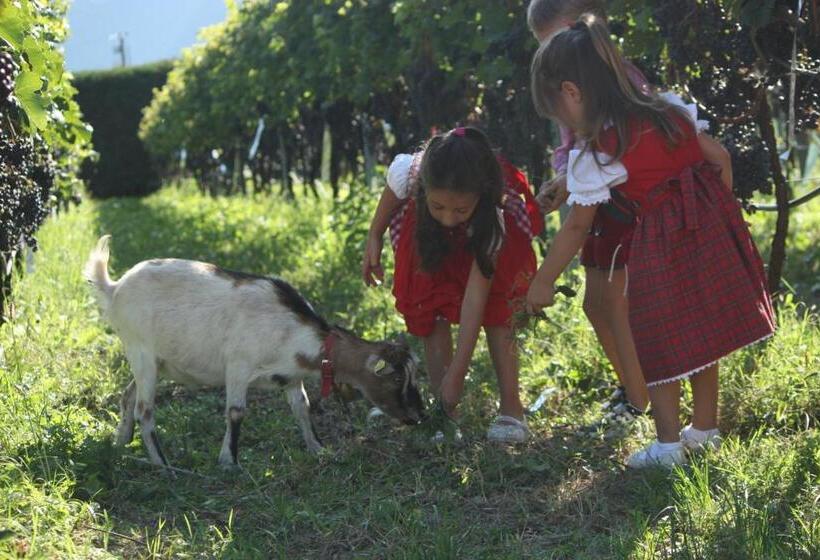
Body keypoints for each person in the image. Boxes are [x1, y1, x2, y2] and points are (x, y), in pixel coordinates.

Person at [526, 15, 776, 467]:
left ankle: (667, 445)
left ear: (572, 93)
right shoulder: (668, 111)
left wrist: (544, 280)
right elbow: (718, 158)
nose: (566, 123)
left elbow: (577, 227)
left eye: (560, 114)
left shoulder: (602, 150)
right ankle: (704, 430)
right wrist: (717, 213)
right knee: (702, 334)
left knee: (657, 341)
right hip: (706, 233)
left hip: (659, 250)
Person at [363, 126, 543, 442]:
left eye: (460, 209)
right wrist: (374, 238)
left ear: (479, 197)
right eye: (438, 207)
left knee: (500, 312)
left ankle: (512, 410)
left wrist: (458, 374)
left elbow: (476, 298)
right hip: (428, 243)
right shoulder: (410, 174)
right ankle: (446, 414)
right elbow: (384, 211)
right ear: (423, 192)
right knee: (428, 304)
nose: (448, 217)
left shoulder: (494, 207)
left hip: (482, 242)